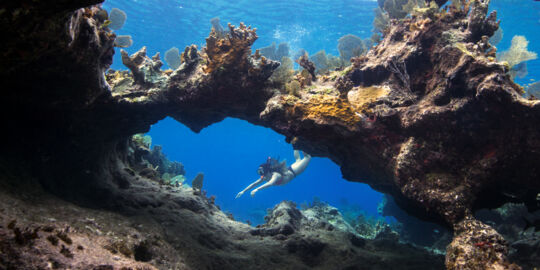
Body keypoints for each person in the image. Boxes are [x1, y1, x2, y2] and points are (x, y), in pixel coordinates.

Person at [235, 150, 311, 198]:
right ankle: (296, 144)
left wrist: (257, 189)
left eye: (261, 171)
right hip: (290, 170)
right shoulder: (265, 177)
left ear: (266, 170)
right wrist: (243, 191)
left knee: (307, 157)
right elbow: (254, 184)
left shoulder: (275, 175)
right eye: (259, 171)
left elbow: (270, 183)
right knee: (298, 160)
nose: (260, 173)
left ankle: (301, 143)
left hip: (294, 171)